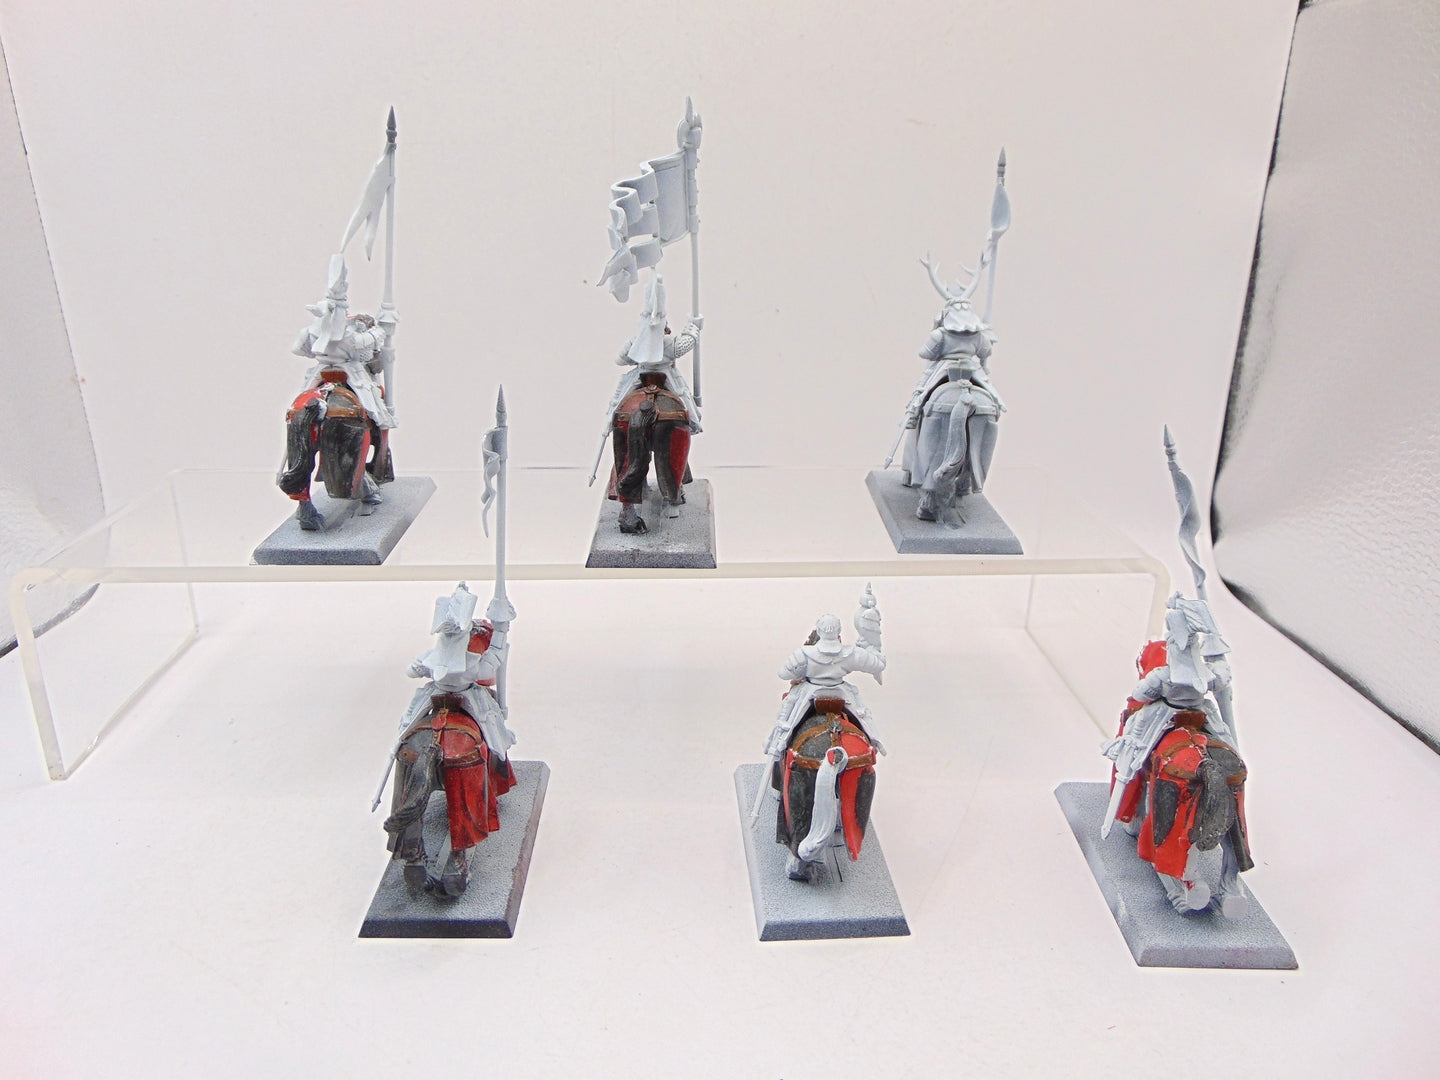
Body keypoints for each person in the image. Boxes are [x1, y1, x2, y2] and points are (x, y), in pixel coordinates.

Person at [383, 583, 518, 894]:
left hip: (433, 701)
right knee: (494, 737)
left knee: (406, 737)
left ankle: (412, 853)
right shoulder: (471, 665)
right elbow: (494, 660)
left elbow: (412, 669)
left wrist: (424, 665)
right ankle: (458, 858)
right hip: (470, 702)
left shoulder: (432, 657)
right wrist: (500, 632)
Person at [602, 272, 701, 534]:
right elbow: (686, 344)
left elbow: (620, 359)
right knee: (687, 415)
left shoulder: (636, 342)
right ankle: (672, 500)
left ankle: (629, 505)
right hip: (667, 382)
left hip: (638, 382)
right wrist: (693, 327)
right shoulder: (668, 343)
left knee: (621, 413)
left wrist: (634, 350)